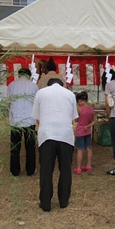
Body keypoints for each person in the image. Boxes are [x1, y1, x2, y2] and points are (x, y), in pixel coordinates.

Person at [31, 78, 78, 212]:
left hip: (46, 135)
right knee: (65, 169)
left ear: (48, 84)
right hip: (65, 135)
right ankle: (63, 200)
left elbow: (37, 117)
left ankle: (45, 202)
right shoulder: (70, 94)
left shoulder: (40, 93)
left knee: (46, 170)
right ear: (62, 85)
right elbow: (73, 117)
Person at [7, 68, 38, 176]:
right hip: (29, 120)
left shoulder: (11, 85)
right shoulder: (34, 86)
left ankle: (14, 170)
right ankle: (30, 170)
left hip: (16, 120)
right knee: (30, 147)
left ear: (18, 75)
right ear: (29, 76)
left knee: (15, 147)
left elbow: (8, 103)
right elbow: (37, 103)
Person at [74, 91, 96, 175]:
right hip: (88, 131)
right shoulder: (91, 108)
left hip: (80, 131)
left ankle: (78, 168)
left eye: (78, 102)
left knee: (80, 149)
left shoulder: (79, 109)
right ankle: (88, 166)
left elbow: (76, 119)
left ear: (80, 101)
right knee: (89, 148)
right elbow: (94, 121)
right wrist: (88, 126)